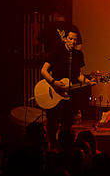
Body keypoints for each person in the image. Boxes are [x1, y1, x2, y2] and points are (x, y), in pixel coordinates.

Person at [40, 18, 93, 148]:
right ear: (65, 39)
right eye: (70, 39)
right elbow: (44, 70)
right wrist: (54, 82)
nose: (73, 42)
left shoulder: (78, 55)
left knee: (67, 122)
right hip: (55, 89)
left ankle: (65, 146)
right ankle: (52, 145)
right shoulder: (56, 52)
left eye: (75, 39)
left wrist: (88, 82)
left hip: (70, 94)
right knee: (53, 122)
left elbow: (78, 75)